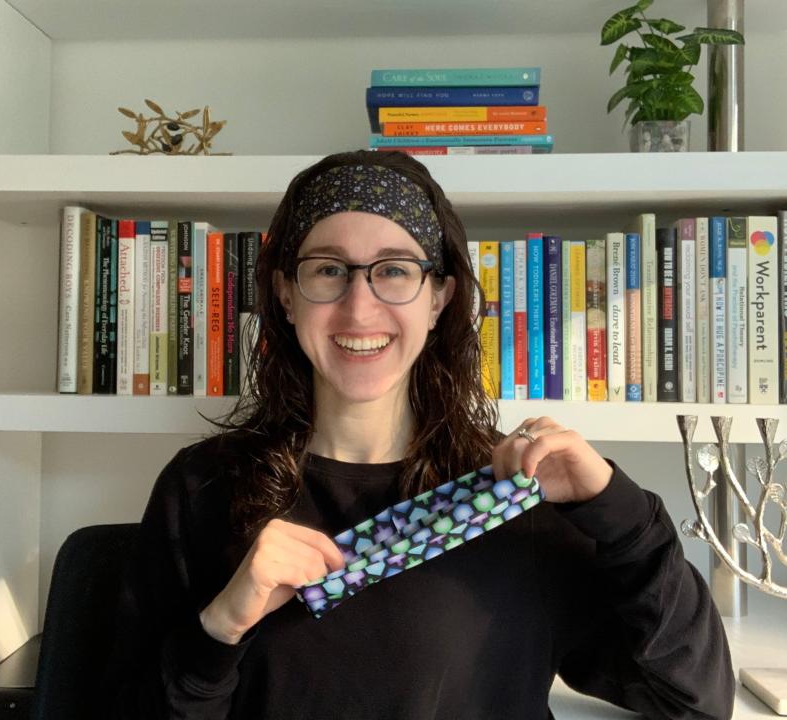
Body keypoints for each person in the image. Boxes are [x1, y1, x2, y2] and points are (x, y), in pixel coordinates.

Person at [105, 150, 735, 719]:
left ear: (438, 298)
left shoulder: (515, 495)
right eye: (328, 270)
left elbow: (695, 698)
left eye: (396, 271)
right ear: (286, 296)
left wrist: (619, 513)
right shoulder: (201, 488)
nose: (359, 308)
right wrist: (220, 627)